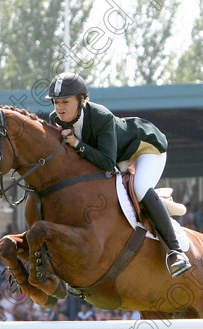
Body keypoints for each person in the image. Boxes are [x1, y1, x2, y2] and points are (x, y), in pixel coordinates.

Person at [45, 71, 190, 276]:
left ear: (82, 100)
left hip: (145, 147)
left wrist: (77, 144)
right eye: (56, 102)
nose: (59, 108)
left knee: (139, 187)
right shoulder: (56, 119)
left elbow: (106, 163)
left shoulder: (101, 116)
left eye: (65, 102)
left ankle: (175, 251)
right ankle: (155, 204)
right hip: (117, 155)